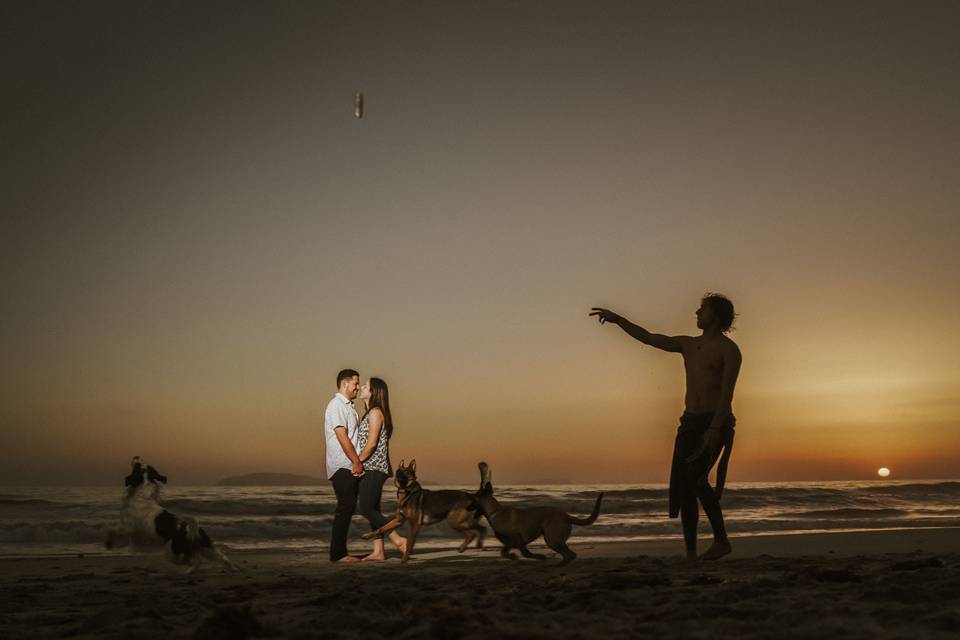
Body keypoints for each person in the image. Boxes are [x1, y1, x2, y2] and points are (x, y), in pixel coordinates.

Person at [590, 293, 742, 561]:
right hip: (689, 422)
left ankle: (721, 541)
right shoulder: (687, 344)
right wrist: (618, 320)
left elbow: (727, 393)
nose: (696, 313)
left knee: (695, 479)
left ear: (715, 315)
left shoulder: (729, 350)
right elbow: (648, 338)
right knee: (685, 485)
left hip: (715, 422)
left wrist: (714, 429)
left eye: (702, 309)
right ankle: (691, 553)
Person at [355, 377, 407, 561]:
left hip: (374, 468)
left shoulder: (375, 412)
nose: (361, 387)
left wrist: (356, 462)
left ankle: (399, 541)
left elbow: (371, 444)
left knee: (367, 509)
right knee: (373, 510)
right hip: (371, 467)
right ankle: (378, 551)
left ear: (374, 392)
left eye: (366, 386)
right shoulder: (370, 412)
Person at [324, 368, 365, 562]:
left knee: (348, 506)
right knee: (345, 506)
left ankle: (340, 552)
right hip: (342, 464)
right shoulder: (336, 405)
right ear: (345, 383)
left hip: (350, 464)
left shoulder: (349, 407)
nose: (358, 386)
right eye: (356, 383)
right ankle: (338, 554)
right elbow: (342, 436)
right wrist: (355, 461)